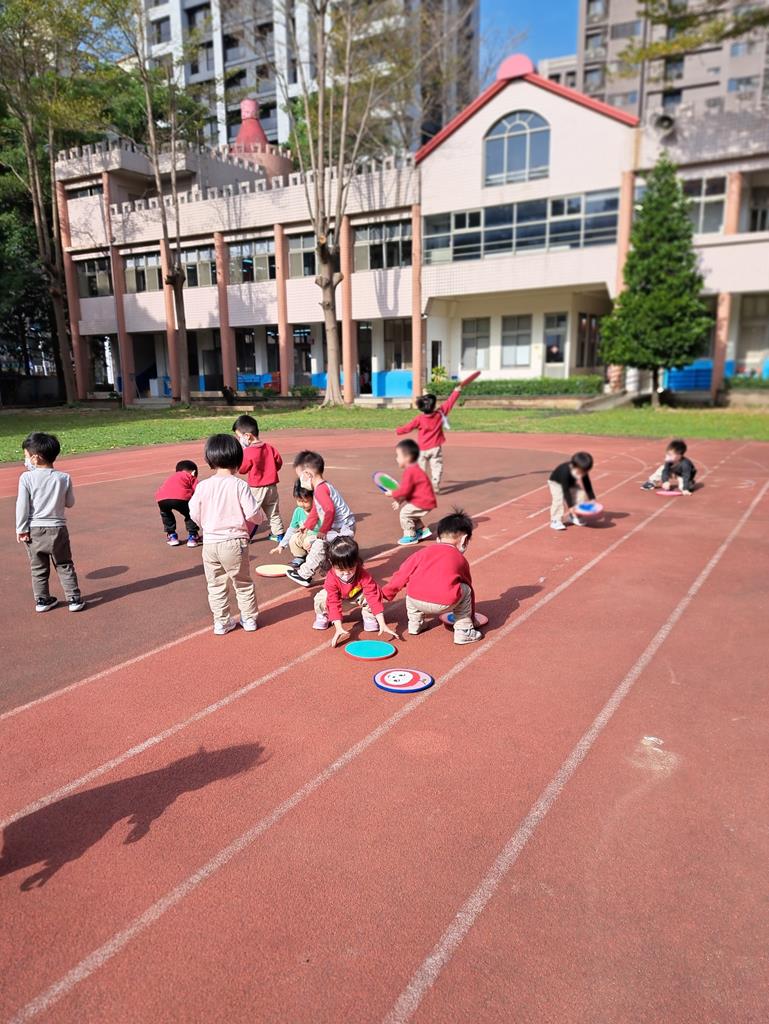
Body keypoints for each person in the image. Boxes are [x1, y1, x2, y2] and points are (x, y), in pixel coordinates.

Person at [188, 434, 262, 635]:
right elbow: (253, 513)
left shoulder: (203, 486)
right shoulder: (239, 485)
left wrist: (205, 525)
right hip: (234, 542)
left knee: (215, 585)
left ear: (209, 459)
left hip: (210, 543)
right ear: (238, 459)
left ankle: (221, 622)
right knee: (243, 582)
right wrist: (261, 518)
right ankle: (249, 619)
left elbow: (193, 511)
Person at [382, 509, 481, 645]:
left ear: (438, 539)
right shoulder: (460, 559)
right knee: (466, 590)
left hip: (415, 600)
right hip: (444, 603)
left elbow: (402, 575)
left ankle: (415, 624)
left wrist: (386, 593)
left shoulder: (421, 553)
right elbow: (468, 587)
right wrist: (472, 618)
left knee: (411, 587)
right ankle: (464, 631)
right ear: (464, 540)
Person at [15, 431, 85, 613]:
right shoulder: (64, 478)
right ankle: (74, 599)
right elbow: (70, 503)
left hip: (34, 530)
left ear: (35, 458)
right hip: (58, 529)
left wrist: (21, 529)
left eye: (26, 456)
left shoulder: (26, 478)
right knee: (64, 564)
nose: (25, 460)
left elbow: (22, 506)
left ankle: (42, 600)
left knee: (38, 568)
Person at [286, 450, 355, 588]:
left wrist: (323, 530)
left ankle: (304, 575)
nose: (301, 481)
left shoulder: (320, 490)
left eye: (300, 477)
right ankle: (334, 573)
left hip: (342, 527)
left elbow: (329, 510)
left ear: (308, 474)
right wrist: (307, 525)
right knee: (326, 547)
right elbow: (317, 510)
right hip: (342, 525)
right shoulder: (321, 487)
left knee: (320, 544)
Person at [312, 537, 396, 647]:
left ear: (356, 562)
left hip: (355, 597)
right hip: (340, 599)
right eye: (341, 570)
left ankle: (369, 616)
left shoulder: (362, 574)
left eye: (351, 569)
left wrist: (382, 623)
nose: (346, 574)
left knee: (375, 591)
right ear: (332, 563)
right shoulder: (331, 579)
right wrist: (339, 628)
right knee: (322, 597)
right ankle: (323, 615)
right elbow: (333, 602)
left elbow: (372, 595)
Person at [395, 382, 464, 492]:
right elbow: (450, 402)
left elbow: (408, 427)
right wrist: (456, 391)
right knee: (437, 466)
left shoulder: (419, 419)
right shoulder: (440, 414)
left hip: (422, 449)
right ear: (434, 406)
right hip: (435, 447)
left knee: (420, 469)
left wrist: (398, 431)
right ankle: (435, 481)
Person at [232, 414, 284, 542]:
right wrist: (271, 471)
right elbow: (279, 462)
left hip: (257, 488)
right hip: (272, 486)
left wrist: (244, 452)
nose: (239, 439)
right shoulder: (270, 447)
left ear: (247, 436)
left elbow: (242, 469)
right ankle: (279, 535)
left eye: (239, 436)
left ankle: (246, 536)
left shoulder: (248, 451)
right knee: (273, 512)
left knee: (251, 512)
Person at [390, 439, 437, 545]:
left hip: (423, 501)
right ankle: (421, 530)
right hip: (426, 500)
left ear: (407, 458)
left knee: (404, 514)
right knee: (411, 513)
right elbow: (408, 491)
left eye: (398, 456)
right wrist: (399, 501)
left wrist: (392, 493)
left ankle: (410, 536)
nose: (396, 459)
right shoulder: (414, 469)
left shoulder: (410, 471)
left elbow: (404, 490)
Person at [270, 481, 320, 568]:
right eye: (299, 501)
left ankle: (317, 558)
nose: (302, 504)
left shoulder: (320, 511)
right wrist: (281, 545)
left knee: (308, 541)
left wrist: (313, 540)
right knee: (293, 538)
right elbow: (291, 529)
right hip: (306, 537)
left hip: (319, 537)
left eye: (305, 501)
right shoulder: (298, 511)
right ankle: (300, 556)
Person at [155, 460, 200, 547]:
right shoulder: (190, 476)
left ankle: (172, 535)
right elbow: (198, 490)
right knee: (190, 514)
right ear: (194, 472)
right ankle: (193, 536)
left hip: (162, 498)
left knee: (166, 514)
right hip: (181, 498)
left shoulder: (172, 477)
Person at [548, 452, 596, 531]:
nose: (584, 473)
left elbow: (587, 483)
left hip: (570, 483)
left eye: (585, 471)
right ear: (575, 466)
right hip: (556, 483)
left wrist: (592, 498)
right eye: (582, 471)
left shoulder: (583, 469)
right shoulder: (565, 471)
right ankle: (555, 520)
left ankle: (573, 517)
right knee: (558, 500)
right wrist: (570, 506)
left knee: (581, 495)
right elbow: (566, 490)